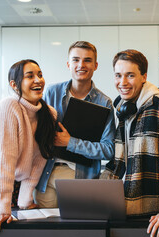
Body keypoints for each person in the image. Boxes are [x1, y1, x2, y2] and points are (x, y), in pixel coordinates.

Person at [100, 49, 159, 237]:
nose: (122, 82)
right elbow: (119, 159)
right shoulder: (123, 106)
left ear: (144, 77)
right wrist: (99, 193)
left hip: (152, 211)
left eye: (130, 75)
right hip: (125, 204)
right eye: (118, 75)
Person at [0, 59, 57, 234]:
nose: (38, 80)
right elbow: (4, 160)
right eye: (30, 76)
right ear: (14, 84)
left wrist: (25, 200)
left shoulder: (49, 113)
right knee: (7, 228)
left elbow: (39, 159)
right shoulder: (8, 107)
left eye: (40, 75)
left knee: (29, 227)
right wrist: (3, 208)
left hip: (18, 180)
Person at [35, 41, 115, 208]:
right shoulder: (51, 92)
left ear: (95, 65)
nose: (81, 65)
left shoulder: (104, 102)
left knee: (75, 231)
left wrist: (70, 142)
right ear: (68, 64)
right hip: (45, 176)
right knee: (45, 231)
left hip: (79, 179)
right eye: (76, 60)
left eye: (87, 60)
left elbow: (108, 150)